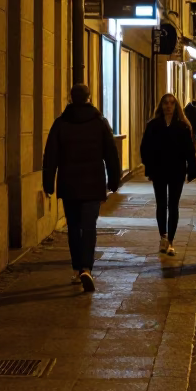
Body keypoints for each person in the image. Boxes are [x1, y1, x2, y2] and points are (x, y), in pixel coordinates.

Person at [42, 83, 122, 292]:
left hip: (69, 183)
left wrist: (48, 182)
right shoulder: (99, 122)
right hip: (93, 183)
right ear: (89, 98)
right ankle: (86, 267)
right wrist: (114, 180)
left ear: (71, 98)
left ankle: (77, 268)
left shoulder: (61, 123)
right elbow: (111, 153)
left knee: (73, 227)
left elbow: (51, 155)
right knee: (89, 227)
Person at [141, 93, 196, 256]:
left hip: (176, 170)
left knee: (173, 205)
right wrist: (149, 167)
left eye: (171, 103)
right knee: (161, 204)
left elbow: (189, 150)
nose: (168, 106)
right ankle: (163, 237)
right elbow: (145, 148)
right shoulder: (153, 125)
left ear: (175, 106)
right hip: (159, 170)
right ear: (161, 105)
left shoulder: (182, 126)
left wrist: (192, 169)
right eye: (165, 103)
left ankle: (171, 241)